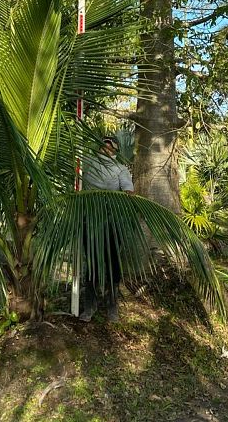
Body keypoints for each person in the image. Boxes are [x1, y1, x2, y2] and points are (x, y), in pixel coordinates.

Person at [80, 136, 134, 322]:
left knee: (112, 264)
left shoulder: (120, 169)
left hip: (111, 222)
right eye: (104, 143)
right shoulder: (87, 163)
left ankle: (112, 308)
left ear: (115, 150)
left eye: (110, 145)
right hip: (90, 221)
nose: (106, 146)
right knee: (92, 263)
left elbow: (128, 191)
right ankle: (90, 306)